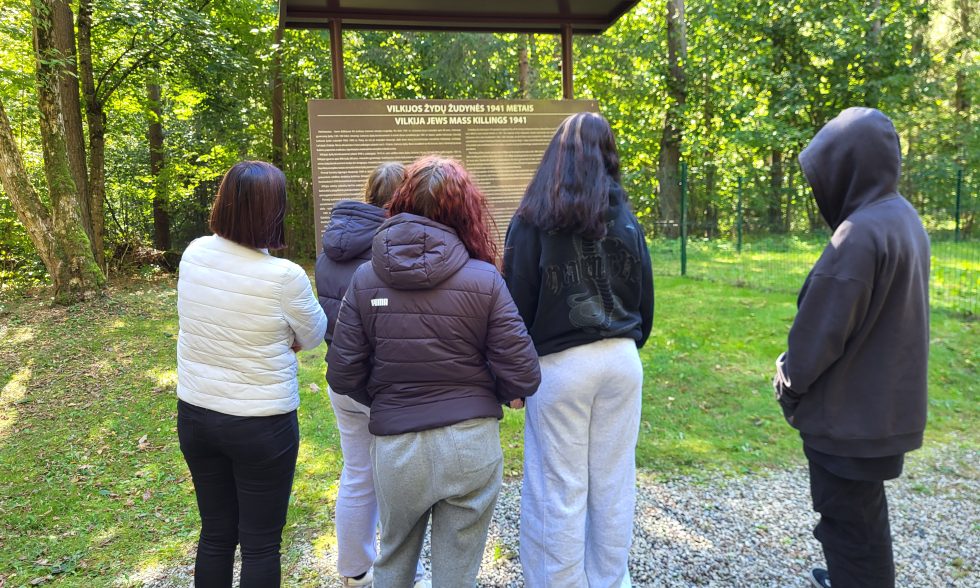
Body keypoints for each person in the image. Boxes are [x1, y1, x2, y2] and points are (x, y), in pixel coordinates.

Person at [327, 155, 541, 588]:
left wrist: (387, 398)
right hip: (471, 446)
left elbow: (342, 374)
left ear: (401, 203)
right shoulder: (485, 279)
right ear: (467, 211)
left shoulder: (367, 278)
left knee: (393, 562)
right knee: (458, 575)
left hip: (397, 449)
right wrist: (495, 391)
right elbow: (523, 372)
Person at [772, 107, 930, 588]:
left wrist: (788, 382)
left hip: (848, 419)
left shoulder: (857, 235)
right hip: (882, 412)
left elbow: (819, 334)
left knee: (847, 526)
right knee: (863, 521)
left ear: (849, 168)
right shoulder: (903, 218)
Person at [503, 112, 654, 587]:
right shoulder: (627, 220)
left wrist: (514, 373)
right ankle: (610, 580)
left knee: (558, 487)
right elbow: (645, 302)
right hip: (621, 361)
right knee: (613, 482)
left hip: (560, 365)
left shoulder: (532, 220)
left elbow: (514, 302)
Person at [175, 160, 328, 587]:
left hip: (197, 414)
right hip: (261, 424)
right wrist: (288, 338)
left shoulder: (194, 254)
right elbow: (314, 333)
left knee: (216, 533)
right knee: (260, 543)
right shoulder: (284, 276)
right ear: (273, 211)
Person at [314, 162, 428, 587]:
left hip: (342, 379)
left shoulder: (330, 250)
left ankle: (355, 571)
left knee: (357, 474)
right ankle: (404, 573)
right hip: (384, 383)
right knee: (401, 485)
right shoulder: (392, 247)